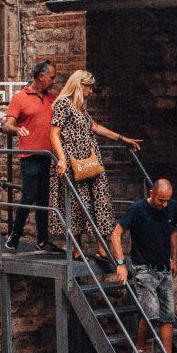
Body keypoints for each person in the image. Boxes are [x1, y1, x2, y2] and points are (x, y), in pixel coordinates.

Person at [48, 69, 138, 255]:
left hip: (90, 161)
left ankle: (101, 247)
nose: (91, 92)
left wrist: (122, 138)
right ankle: (76, 248)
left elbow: (95, 127)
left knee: (99, 201)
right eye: (89, 88)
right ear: (80, 86)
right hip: (73, 161)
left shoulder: (80, 106)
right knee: (75, 202)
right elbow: (54, 133)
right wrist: (62, 159)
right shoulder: (63, 104)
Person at [113, 176, 177, 353]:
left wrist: (174, 259)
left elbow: (173, 232)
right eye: (161, 200)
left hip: (164, 268)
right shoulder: (137, 209)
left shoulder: (171, 207)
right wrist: (120, 264)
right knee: (150, 313)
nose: (164, 204)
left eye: (167, 200)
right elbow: (116, 234)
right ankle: (139, 349)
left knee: (168, 316)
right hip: (143, 268)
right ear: (152, 193)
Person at [3, 58, 58, 248]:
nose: (54, 81)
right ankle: (15, 236)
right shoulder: (20, 97)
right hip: (29, 156)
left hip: (47, 156)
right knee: (28, 196)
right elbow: (7, 125)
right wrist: (17, 129)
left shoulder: (52, 98)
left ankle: (42, 240)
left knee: (44, 198)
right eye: (52, 77)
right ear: (41, 77)